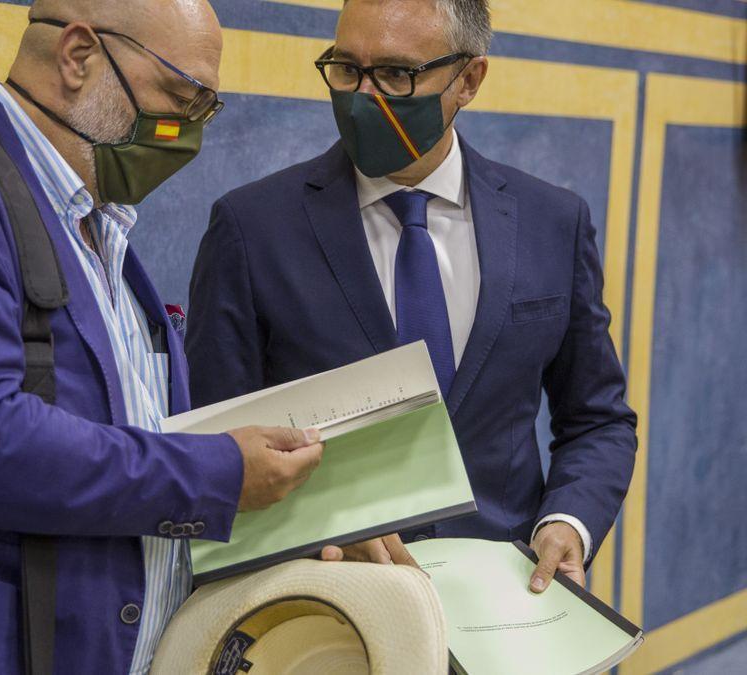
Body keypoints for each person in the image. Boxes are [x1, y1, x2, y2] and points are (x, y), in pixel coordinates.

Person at [0, 1, 332, 672]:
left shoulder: (99, 229)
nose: (187, 133)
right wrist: (218, 474)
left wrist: (311, 514)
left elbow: (128, 450)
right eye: (181, 97)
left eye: (204, 113)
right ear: (78, 56)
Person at [186, 0, 637, 594]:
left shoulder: (554, 220)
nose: (363, 97)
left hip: (506, 606)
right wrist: (317, 530)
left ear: (468, 80)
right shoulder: (251, 228)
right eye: (346, 69)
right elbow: (210, 462)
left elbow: (597, 420)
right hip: (328, 609)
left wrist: (569, 523)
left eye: (397, 74)